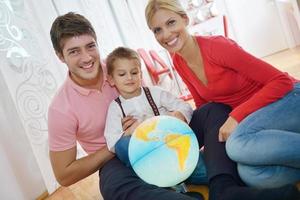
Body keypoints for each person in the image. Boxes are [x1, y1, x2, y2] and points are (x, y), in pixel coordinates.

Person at [145, 0, 300, 200]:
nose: (166, 34)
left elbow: (281, 81)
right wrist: (210, 148)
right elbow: (207, 108)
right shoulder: (179, 62)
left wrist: (236, 116)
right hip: (258, 120)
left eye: (171, 23)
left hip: (289, 99)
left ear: (185, 19)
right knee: (250, 175)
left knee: (236, 145)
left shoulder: (217, 47)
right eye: (157, 30)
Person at [48, 11, 209, 200]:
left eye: (90, 46)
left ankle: (222, 182)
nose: (86, 58)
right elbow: (64, 175)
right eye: (74, 51)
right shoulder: (60, 109)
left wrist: (171, 119)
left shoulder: (121, 67)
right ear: (60, 56)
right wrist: (120, 141)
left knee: (211, 111)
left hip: (162, 133)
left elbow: (157, 100)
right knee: (114, 187)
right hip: (116, 159)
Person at [103, 46, 207, 187]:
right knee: (122, 145)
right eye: (122, 74)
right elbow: (112, 142)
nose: (129, 78)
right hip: (149, 161)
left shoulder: (156, 93)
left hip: (175, 150)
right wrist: (129, 131)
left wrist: (178, 115)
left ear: (141, 74)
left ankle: (182, 180)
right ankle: (166, 185)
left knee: (206, 173)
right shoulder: (115, 108)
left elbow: (184, 106)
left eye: (134, 72)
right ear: (111, 79)